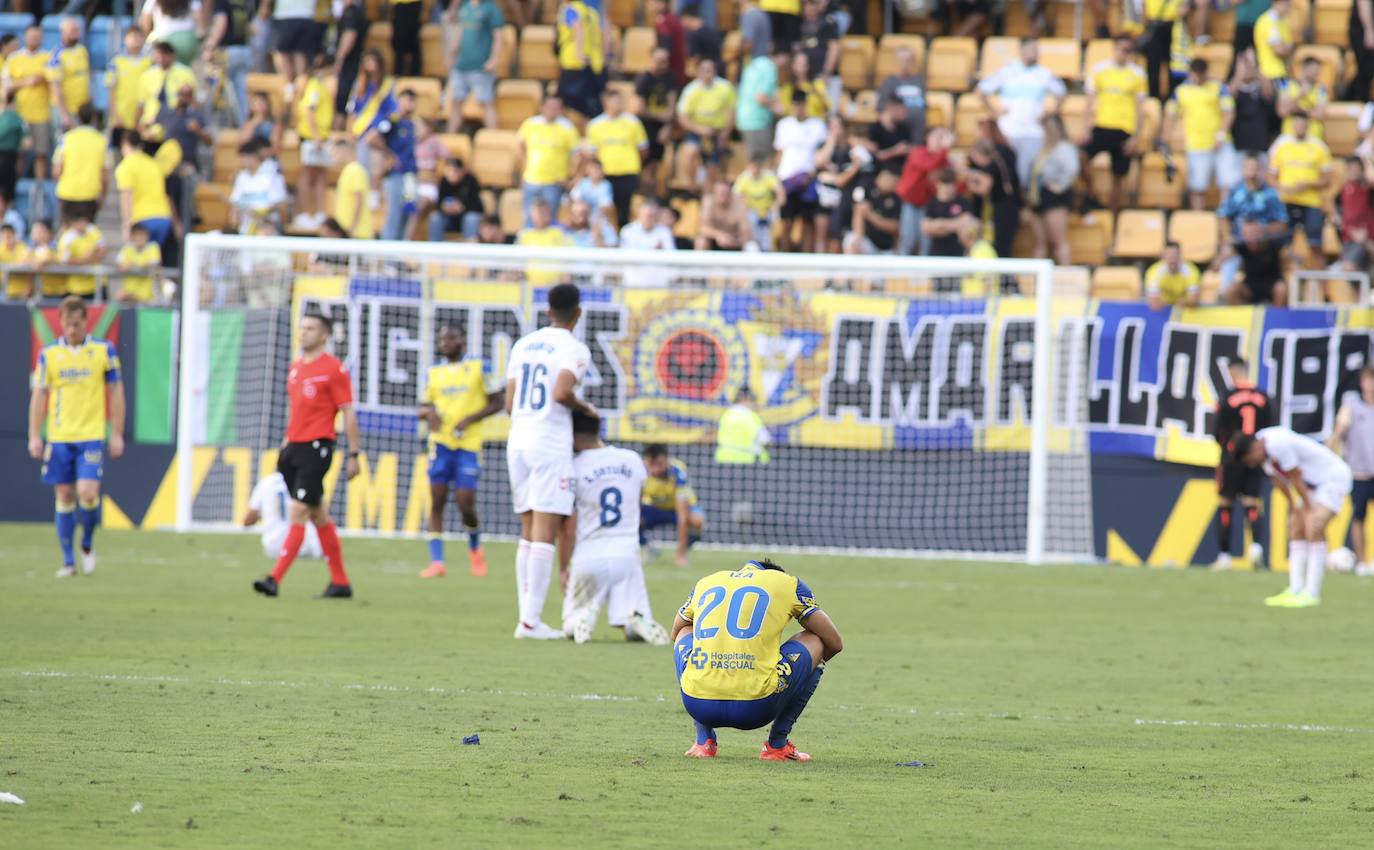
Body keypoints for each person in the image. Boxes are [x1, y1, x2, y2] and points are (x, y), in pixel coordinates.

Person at [672, 557, 843, 760]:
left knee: (686, 631)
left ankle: (703, 741)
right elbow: (834, 642)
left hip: (698, 705)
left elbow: (676, 631)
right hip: (757, 708)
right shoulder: (788, 582)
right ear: (776, 573)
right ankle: (777, 746)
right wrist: (807, 670)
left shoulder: (707, 581)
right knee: (816, 640)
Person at [505, 283, 597, 639]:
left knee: (528, 531)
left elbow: (510, 403)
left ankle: (526, 616)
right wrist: (584, 407)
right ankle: (530, 622)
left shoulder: (523, 344)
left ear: (547, 312)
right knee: (545, 531)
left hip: (518, 439)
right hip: (548, 441)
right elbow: (561, 392)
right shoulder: (574, 348)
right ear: (578, 313)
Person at [252, 312, 362, 599]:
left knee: (298, 511)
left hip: (318, 447)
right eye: (302, 328)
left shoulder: (334, 369)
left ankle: (274, 579)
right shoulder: (296, 368)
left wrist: (354, 453)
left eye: (311, 328)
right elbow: (296, 410)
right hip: (293, 448)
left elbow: (348, 411)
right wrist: (286, 442)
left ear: (324, 335)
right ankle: (340, 582)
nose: (304, 333)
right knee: (317, 514)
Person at [27, 297, 125, 578]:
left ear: (85, 321)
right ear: (61, 322)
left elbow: (116, 392)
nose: (72, 329)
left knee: (87, 492)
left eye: (77, 323)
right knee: (65, 495)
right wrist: (35, 435)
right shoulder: (49, 355)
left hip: (92, 434)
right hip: (59, 437)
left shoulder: (103, 351)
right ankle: (68, 561)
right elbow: (39, 396)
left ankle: (87, 543)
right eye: (67, 324)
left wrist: (116, 433)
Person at [559, 411, 670, 645]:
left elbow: (568, 527)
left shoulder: (572, 466)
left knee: (570, 621)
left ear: (573, 435)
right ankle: (636, 621)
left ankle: (582, 618)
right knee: (632, 618)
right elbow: (637, 502)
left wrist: (563, 567)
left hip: (588, 554)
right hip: (626, 555)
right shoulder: (631, 459)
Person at [417, 325, 504, 579]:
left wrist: (470, 419)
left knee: (466, 502)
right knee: (437, 500)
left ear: (462, 341)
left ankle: (475, 549)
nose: (445, 343)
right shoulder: (433, 372)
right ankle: (437, 562)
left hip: (468, 445)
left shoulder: (479, 367)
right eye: (442, 339)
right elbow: (421, 408)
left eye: (450, 338)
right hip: (440, 445)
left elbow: (497, 402)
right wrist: (429, 413)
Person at [1234, 426, 1353, 607]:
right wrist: (1294, 506)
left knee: (1314, 525)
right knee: (1295, 527)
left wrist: (1308, 506)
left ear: (1254, 448)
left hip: (1332, 478)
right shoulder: (1264, 451)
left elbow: (1295, 476)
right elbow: (1278, 481)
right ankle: (1296, 589)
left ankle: (1311, 593)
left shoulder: (1278, 443)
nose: (1251, 464)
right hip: (1311, 485)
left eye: (1250, 460)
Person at [976, 38, 1065, 189]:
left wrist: (1050, 113)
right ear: (1022, 51)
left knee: (1028, 175)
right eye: (1031, 50)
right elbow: (981, 90)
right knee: (1007, 172)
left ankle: (1026, 206)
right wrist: (994, 111)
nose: (1034, 54)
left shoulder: (1043, 73)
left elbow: (1062, 93)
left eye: (1036, 51)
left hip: (1033, 133)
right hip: (1008, 131)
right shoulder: (1008, 71)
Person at [1213, 357, 1272, 570]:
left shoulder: (1228, 396)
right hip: (1255, 457)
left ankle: (1225, 556)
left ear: (1232, 371)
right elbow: (1269, 430)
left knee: (1226, 503)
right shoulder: (1263, 397)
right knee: (1252, 503)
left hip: (1231, 457)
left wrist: (1228, 449)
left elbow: (1217, 431)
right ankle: (1256, 548)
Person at [1083, 36, 1148, 215]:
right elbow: (1089, 103)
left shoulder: (1138, 74)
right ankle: (1092, 193)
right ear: (1115, 49)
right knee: (1081, 157)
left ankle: (1112, 217)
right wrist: (1086, 129)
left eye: (1129, 50)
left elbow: (1141, 109)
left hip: (1124, 129)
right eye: (1122, 49)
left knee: (1118, 178)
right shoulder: (1100, 70)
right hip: (1102, 125)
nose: (1125, 54)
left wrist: (1136, 137)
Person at [1164, 58, 1238, 211]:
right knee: (1197, 187)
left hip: (1220, 143)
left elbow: (1229, 112)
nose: (1197, 77)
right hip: (1196, 143)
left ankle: (1224, 217)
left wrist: (1221, 135)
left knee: (1227, 184)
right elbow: (1170, 114)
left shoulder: (1218, 88)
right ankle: (1199, 220)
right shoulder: (1181, 91)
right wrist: (1166, 137)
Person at [1269, 111, 1332, 269]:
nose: (1300, 127)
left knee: (1315, 245)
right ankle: (1286, 282)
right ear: (1292, 125)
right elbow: (1270, 176)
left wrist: (1307, 185)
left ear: (1308, 125)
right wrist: (1281, 187)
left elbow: (1327, 179)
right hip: (1286, 201)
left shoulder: (1319, 146)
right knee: (1283, 246)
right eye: (1297, 123)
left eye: (1303, 124)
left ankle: (1321, 287)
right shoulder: (1281, 145)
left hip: (1311, 202)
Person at [1216, 153, 1288, 291]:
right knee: (1227, 257)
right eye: (1248, 168)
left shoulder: (1270, 194)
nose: (1251, 172)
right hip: (1240, 244)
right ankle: (1224, 294)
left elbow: (1282, 223)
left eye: (1254, 168)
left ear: (1261, 170)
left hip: (1265, 245)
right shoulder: (1235, 191)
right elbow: (1223, 216)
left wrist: (1261, 230)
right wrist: (1228, 238)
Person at [1331, 366, 1374, 576]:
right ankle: (1363, 561)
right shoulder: (1352, 407)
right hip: (1358, 472)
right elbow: (1337, 434)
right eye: (1368, 380)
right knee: (1358, 517)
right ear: (1362, 382)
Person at [584, 90, 648, 228]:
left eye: (619, 101)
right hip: (605, 173)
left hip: (628, 171)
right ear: (605, 103)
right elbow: (592, 153)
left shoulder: (632, 122)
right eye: (614, 101)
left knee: (624, 209)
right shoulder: (595, 125)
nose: (617, 104)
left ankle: (622, 237)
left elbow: (643, 149)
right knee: (604, 208)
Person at [774, 89, 827, 253]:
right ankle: (783, 262)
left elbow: (821, 154)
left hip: (808, 179)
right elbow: (779, 154)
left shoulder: (817, 126)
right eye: (796, 105)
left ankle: (806, 262)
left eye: (801, 105)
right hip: (787, 178)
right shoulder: (784, 125)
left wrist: (812, 174)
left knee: (807, 222)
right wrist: (777, 181)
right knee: (787, 223)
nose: (799, 108)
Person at [517, 95, 580, 226]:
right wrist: (526, 164)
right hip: (531, 179)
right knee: (528, 220)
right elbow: (519, 144)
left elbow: (578, 155)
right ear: (542, 108)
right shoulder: (531, 124)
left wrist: (572, 176)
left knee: (550, 221)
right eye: (550, 107)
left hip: (554, 181)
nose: (553, 110)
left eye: (557, 107)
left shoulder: (567, 128)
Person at [641, 443, 705, 568]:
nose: (656, 470)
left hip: (678, 509)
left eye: (659, 464)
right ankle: (646, 547)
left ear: (667, 460)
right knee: (633, 517)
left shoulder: (677, 471)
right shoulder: (640, 471)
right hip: (657, 508)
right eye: (652, 465)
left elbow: (682, 516)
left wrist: (680, 556)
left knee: (697, 521)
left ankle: (683, 551)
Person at [1026, 115, 1078, 266]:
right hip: (1038, 196)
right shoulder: (1044, 149)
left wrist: (1059, 186)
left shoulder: (1063, 148)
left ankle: (1065, 273)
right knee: (1040, 243)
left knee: (1059, 241)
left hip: (1054, 198)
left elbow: (1071, 169)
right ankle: (1035, 280)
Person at [677, 59, 737, 189]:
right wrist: (700, 129)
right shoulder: (691, 90)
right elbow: (683, 117)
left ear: (715, 71)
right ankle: (691, 186)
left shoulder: (725, 88)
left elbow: (731, 113)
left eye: (710, 70)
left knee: (714, 169)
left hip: (717, 132)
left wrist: (724, 135)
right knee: (690, 151)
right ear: (698, 72)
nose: (707, 73)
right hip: (697, 130)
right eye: (704, 70)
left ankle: (708, 190)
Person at [2, 26, 52, 184]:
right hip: (19, 114)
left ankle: (40, 188)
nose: (34, 40)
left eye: (37, 37)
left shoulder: (48, 58)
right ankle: (16, 184)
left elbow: (54, 80)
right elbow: (6, 86)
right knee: (18, 153)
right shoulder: (15, 59)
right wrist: (27, 82)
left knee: (41, 154)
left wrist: (41, 79)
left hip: (41, 113)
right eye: (31, 36)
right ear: (25, 37)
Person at [446, 0, 504, 133]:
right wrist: (451, 54)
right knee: (456, 101)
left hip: (480, 66)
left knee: (486, 102)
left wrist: (494, 59)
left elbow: (499, 36)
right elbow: (457, 29)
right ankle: (451, 136)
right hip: (461, 65)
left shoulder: (491, 8)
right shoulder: (464, 6)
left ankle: (493, 136)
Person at [368, 88, 419, 241]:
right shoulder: (392, 121)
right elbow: (371, 138)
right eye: (407, 99)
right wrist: (389, 154)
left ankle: (399, 257)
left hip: (409, 174)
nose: (410, 103)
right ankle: (388, 255)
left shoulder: (410, 124)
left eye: (412, 100)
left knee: (407, 213)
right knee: (394, 214)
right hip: (395, 174)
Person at [896, 126, 952, 256]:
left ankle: (924, 275)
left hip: (928, 203)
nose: (940, 140)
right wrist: (944, 149)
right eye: (937, 136)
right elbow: (928, 165)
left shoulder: (943, 159)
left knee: (926, 240)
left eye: (942, 137)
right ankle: (900, 273)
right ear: (928, 137)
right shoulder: (918, 152)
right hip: (911, 201)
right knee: (908, 238)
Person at [243, 471, 324, 560]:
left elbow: (247, 521)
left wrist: (265, 513)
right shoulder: (303, 481)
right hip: (302, 546)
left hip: (273, 547)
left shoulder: (265, 483)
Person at [291, 57, 333, 229]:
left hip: (320, 136)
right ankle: (306, 213)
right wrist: (316, 136)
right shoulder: (315, 85)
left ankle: (320, 213)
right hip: (312, 136)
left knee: (320, 174)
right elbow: (309, 110)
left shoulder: (319, 85)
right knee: (308, 175)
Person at [202, 0, 258, 125]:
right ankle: (245, 124)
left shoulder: (223, 2)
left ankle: (214, 125)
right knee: (241, 92)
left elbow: (221, 23)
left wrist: (210, 46)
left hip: (227, 52)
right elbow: (253, 29)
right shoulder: (244, 3)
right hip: (245, 50)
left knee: (216, 89)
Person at [967, 134, 1021, 262]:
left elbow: (984, 188)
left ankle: (1006, 280)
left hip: (1005, 210)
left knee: (1002, 248)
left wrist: (969, 185)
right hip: (1007, 208)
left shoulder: (992, 166)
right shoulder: (1001, 160)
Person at [53, 104, 107, 225]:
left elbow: (57, 170)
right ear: (94, 118)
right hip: (89, 193)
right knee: (87, 235)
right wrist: (103, 195)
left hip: (67, 192)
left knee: (67, 233)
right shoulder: (101, 140)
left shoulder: (66, 138)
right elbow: (105, 174)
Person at [635, 47, 679, 191]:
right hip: (645, 127)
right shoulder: (644, 80)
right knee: (645, 164)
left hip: (662, 128)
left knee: (656, 164)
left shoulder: (670, 78)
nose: (663, 64)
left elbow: (672, 105)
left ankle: (654, 191)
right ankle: (643, 191)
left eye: (665, 61)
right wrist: (662, 116)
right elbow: (640, 109)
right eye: (660, 60)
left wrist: (667, 125)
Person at [556, 0, 606, 118]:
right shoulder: (592, 12)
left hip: (573, 63)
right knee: (592, 102)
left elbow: (578, 27)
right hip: (594, 63)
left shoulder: (571, 9)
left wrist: (579, 52)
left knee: (566, 99)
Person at [737, 45, 785, 166]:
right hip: (757, 120)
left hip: (744, 118)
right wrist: (778, 109)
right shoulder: (769, 68)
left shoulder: (755, 64)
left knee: (753, 159)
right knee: (760, 162)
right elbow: (761, 97)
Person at [228, 139, 289, 235]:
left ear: (253, 157)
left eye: (244, 157)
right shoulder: (241, 177)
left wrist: (262, 212)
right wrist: (234, 227)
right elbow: (234, 206)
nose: (242, 161)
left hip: (268, 227)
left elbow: (281, 205)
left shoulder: (272, 174)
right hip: (245, 229)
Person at [1225, 219, 1291, 305]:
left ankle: (1276, 317)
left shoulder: (1274, 245)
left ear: (1261, 233)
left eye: (1253, 233)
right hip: (1250, 287)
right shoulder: (1241, 247)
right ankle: (1237, 317)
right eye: (1246, 234)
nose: (1250, 237)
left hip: (1272, 285)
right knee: (1232, 289)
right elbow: (1217, 264)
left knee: (1281, 288)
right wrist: (1226, 247)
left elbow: (1289, 257)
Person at [108, 28, 151, 153]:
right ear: (125, 39)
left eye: (138, 37)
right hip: (122, 116)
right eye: (132, 37)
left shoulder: (148, 63)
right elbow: (111, 89)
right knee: (119, 151)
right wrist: (115, 115)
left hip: (141, 118)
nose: (135, 40)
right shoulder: (116, 62)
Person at [876, 47, 927, 145]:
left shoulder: (919, 81)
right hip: (898, 121)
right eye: (902, 60)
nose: (905, 63)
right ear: (897, 61)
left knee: (920, 117)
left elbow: (924, 104)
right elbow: (881, 105)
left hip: (917, 120)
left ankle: (915, 150)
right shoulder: (889, 82)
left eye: (908, 60)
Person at [845, 167, 901, 255]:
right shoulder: (868, 189)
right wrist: (858, 238)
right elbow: (859, 212)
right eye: (883, 178)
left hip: (886, 248)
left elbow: (896, 227)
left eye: (890, 180)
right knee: (851, 239)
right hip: (868, 242)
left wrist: (871, 216)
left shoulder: (897, 199)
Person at [733, 154, 784, 252]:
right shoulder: (744, 177)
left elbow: (781, 193)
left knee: (770, 226)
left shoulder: (768, 176)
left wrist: (776, 205)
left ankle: (769, 249)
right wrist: (744, 204)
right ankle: (750, 247)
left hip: (767, 211)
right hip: (750, 210)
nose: (754, 169)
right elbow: (735, 196)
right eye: (752, 167)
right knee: (749, 220)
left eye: (757, 166)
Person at [922, 168, 976, 259]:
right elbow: (926, 228)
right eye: (945, 185)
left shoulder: (963, 202)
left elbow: (968, 223)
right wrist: (956, 225)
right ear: (938, 185)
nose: (948, 189)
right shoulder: (932, 204)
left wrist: (940, 224)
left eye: (951, 185)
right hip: (936, 255)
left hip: (958, 255)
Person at [261, 0, 320, 82]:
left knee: (281, 53)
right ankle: (299, 86)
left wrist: (264, 7)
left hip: (285, 15)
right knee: (300, 54)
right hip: (307, 15)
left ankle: (289, 86)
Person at [798, 0, 840, 112]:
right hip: (808, 77)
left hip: (825, 77)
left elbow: (834, 48)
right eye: (806, 4)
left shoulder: (828, 22)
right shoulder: (800, 23)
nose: (810, 7)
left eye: (812, 3)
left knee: (829, 110)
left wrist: (826, 72)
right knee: (810, 110)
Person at [49, 17, 90, 130]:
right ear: (63, 32)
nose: (76, 33)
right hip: (67, 109)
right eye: (72, 30)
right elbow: (55, 86)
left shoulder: (82, 50)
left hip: (82, 109)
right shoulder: (57, 55)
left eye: (77, 30)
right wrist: (64, 114)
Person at [429, 158, 484, 241]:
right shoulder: (444, 181)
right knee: (435, 218)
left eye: (455, 170)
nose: (451, 174)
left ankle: (469, 250)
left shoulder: (471, 181)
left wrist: (462, 208)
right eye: (449, 170)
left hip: (466, 216)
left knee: (470, 219)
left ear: (462, 171)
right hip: (449, 219)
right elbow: (439, 203)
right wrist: (444, 208)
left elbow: (477, 206)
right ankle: (434, 249)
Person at [56, 213, 107, 300]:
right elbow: (65, 261)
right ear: (73, 223)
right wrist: (87, 259)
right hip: (77, 287)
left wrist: (88, 259)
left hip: (97, 283)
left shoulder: (92, 230)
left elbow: (103, 250)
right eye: (80, 221)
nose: (84, 224)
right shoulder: (67, 238)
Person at [715, 385, 771, 464]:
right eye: (753, 401)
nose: (755, 404)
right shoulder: (752, 417)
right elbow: (765, 440)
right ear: (745, 399)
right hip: (747, 462)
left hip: (723, 460)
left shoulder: (726, 415)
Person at [1278, 57, 1329, 142]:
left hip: (1313, 138)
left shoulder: (1321, 89)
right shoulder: (1286, 85)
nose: (1317, 73)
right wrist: (1301, 95)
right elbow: (1282, 111)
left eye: (1318, 70)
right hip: (1290, 138)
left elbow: (1320, 114)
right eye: (1314, 69)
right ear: (1304, 68)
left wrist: (1297, 110)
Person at [331, 138, 374, 240]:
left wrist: (352, 227)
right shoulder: (349, 170)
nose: (333, 156)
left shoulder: (354, 170)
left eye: (335, 152)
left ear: (344, 151)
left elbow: (359, 200)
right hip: (347, 231)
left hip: (356, 232)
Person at [696, 177, 752, 250]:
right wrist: (719, 235)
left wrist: (735, 241)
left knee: (751, 246)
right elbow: (702, 228)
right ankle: (701, 261)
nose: (723, 196)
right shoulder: (708, 202)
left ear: (731, 193)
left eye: (726, 193)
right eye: (720, 193)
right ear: (714, 193)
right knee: (701, 241)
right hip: (713, 240)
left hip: (735, 240)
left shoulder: (739, 203)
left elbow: (746, 232)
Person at [1143, 241, 1201, 310]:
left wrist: (1185, 303)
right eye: (1169, 255)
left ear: (1180, 254)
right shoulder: (1154, 272)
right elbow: (1154, 304)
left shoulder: (1191, 271)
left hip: (1185, 310)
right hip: (1164, 311)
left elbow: (1194, 301)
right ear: (1163, 255)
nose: (1172, 259)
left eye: (1175, 255)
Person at [115, 223, 162, 304]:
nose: (140, 238)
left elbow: (154, 264)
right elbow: (120, 266)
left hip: (148, 298)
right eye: (138, 235)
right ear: (132, 236)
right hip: (129, 296)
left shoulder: (153, 247)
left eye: (143, 235)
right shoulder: (127, 249)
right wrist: (140, 264)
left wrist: (132, 264)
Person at [1253, 0, 1294, 85]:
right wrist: (1287, 48)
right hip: (1270, 74)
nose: (1289, 7)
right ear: (1277, 3)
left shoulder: (1283, 22)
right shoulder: (1269, 22)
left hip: (1282, 73)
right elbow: (1279, 50)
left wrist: (1287, 48)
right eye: (1287, 3)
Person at [1351, 0, 1374, 102]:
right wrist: (1369, 30)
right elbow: (1363, 3)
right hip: (1363, 29)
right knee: (1367, 67)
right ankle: (1358, 99)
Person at [0, 222, 30, 299]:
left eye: (9, 233)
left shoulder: (23, 248)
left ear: (14, 234)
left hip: (23, 291)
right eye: (4, 234)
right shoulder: (1, 249)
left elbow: (26, 261)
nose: (7, 236)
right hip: (4, 291)